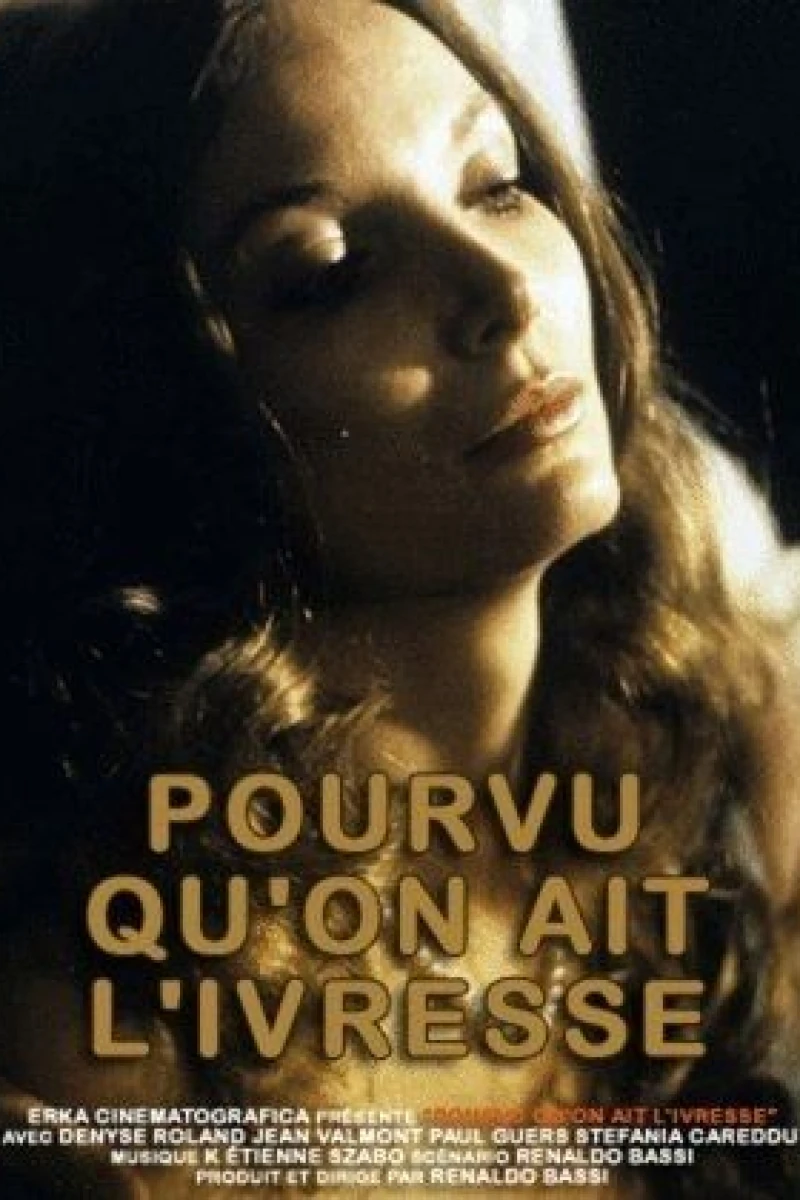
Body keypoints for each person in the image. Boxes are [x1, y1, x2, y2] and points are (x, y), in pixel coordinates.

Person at [0, 1, 798, 1197]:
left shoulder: (717, 733)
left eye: (494, 184)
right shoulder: (118, 1035)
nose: (503, 289)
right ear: (155, 413)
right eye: (326, 275)